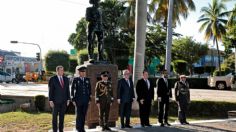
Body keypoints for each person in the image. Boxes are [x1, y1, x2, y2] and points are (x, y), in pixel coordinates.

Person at [48, 65, 70, 132]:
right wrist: (50, 100)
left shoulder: (66, 79)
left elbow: (67, 90)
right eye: (61, 70)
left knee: (62, 117)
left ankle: (61, 130)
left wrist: (68, 99)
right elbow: (50, 90)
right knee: (54, 117)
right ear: (57, 71)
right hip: (55, 102)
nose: (62, 71)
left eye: (63, 70)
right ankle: (55, 130)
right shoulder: (52, 79)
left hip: (64, 101)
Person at [71, 66, 92, 132]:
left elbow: (90, 90)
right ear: (79, 73)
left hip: (86, 100)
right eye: (82, 72)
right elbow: (72, 90)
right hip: (78, 100)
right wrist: (73, 99)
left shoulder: (87, 80)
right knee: (78, 115)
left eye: (84, 72)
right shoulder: (76, 80)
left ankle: (82, 128)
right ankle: (78, 128)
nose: (83, 73)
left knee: (83, 114)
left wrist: (89, 99)